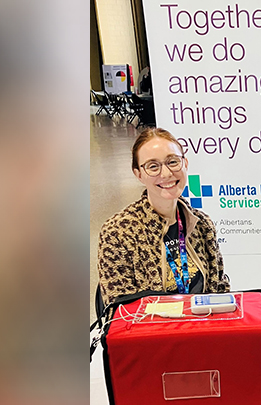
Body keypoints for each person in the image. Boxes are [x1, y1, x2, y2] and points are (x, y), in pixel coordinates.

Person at [98, 127, 229, 305]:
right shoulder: (118, 233)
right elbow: (120, 310)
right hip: (150, 331)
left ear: (185, 164)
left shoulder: (202, 224)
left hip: (202, 326)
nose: (166, 173)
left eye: (173, 162)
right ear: (139, 174)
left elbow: (220, 289)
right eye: (153, 166)